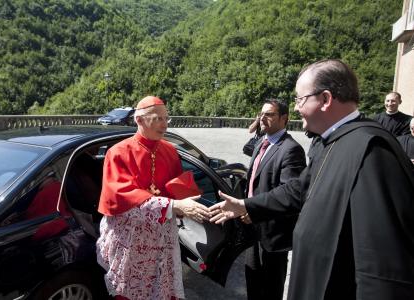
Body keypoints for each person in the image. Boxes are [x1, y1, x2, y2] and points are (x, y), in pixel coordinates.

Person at [209, 59, 414, 300]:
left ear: (325, 99)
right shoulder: (329, 141)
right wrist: (245, 205)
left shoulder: (372, 149)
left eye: (300, 99)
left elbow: (382, 261)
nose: (296, 108)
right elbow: (299, 189)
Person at [96, 96, 210, 300]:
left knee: (162, 290)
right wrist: (173, 205)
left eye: (167, 119)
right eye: (158, 119)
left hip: (162, 237)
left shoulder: (170, 150)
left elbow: (176, 188)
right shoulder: (118, 153)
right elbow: (121, 196)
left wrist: (187, 198)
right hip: (131, 242)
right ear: (139, 120)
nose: (165, 125)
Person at [243, 99, 306, 300]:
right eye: (261, 114)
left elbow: (288, 194)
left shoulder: (291, 149)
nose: (263, 118)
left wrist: (252, 209)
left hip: (273, 234)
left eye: (269, 114)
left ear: (284, 118)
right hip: (252, 228)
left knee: (270, 290)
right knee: (252, 284)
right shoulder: (261, 143)